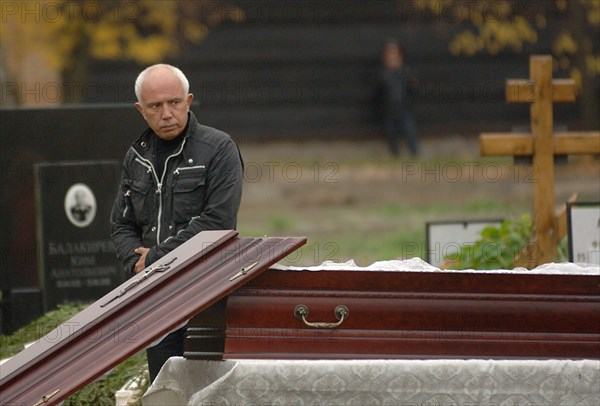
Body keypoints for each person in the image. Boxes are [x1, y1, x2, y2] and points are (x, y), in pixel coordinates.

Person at [110, 63, 243, 381]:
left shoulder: (219, 149)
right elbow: (122, 225)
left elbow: (218, 223)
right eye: (155, 106)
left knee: (208, 393)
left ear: (189, 100)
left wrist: (153, 259)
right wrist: (135, 263)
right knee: (165, 391)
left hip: (208, 297)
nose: (166, 113)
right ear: (141, 110)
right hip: (155, 301)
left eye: (174, 102)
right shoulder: (136, 157)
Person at [377, 40, 419, 157]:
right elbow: (378, 92)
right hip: (388, 110)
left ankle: (415, 155)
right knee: (391, 135)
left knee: (410, 132)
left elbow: (414, 89)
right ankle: (395, 156)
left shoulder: (405, 72)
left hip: (404, 109)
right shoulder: (382, 74)